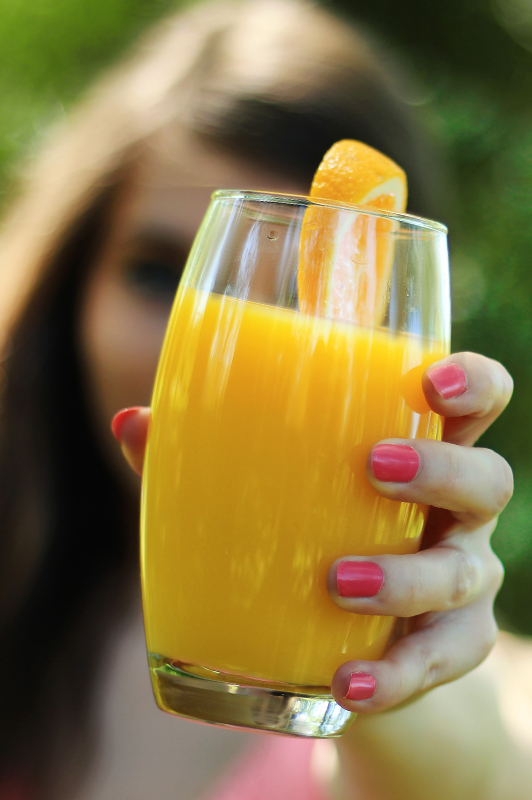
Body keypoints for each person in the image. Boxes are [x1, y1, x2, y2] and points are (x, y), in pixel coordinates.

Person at [0, 0, 528, 798]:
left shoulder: (485, 700)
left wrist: (396, 679)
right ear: (75, 289)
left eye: (303, 291)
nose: (204, 339)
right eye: (156, 273)